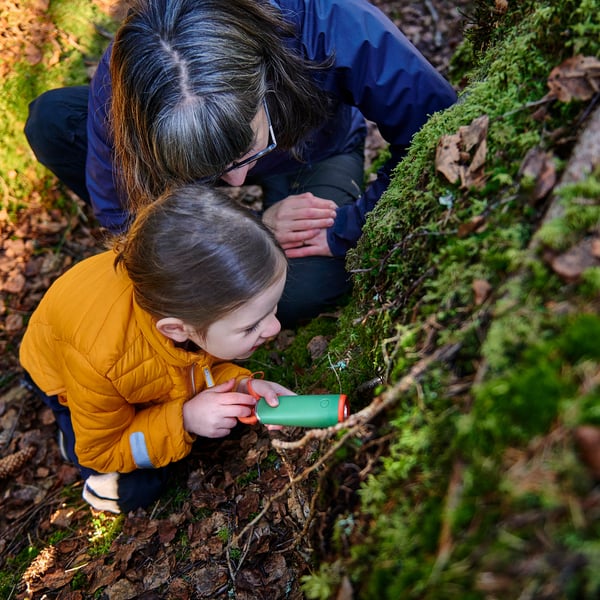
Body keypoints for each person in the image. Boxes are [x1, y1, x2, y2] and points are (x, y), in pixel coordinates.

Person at [24, 0, 457, 327]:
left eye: (248, 152)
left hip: (313, 151)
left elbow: (437, 130)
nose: (236, 179)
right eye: (213, 174)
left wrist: (351, 224)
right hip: (178, 154)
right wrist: (251, 225)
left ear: (266, 80)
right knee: (53, 120)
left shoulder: (327, 21)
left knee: (298, 290)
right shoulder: (121, 86)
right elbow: (124, 216)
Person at [19, 184, 293, 514]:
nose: (275, 328)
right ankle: (68, 434)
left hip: (137, 365)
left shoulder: (188, 306)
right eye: (251, 326)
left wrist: (240, 386)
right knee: (138, 489)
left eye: (274, 309)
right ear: (177, 329)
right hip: (65, 377)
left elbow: (196, 361)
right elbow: (103, 449)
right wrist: (185, 419)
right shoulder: (101, 358)